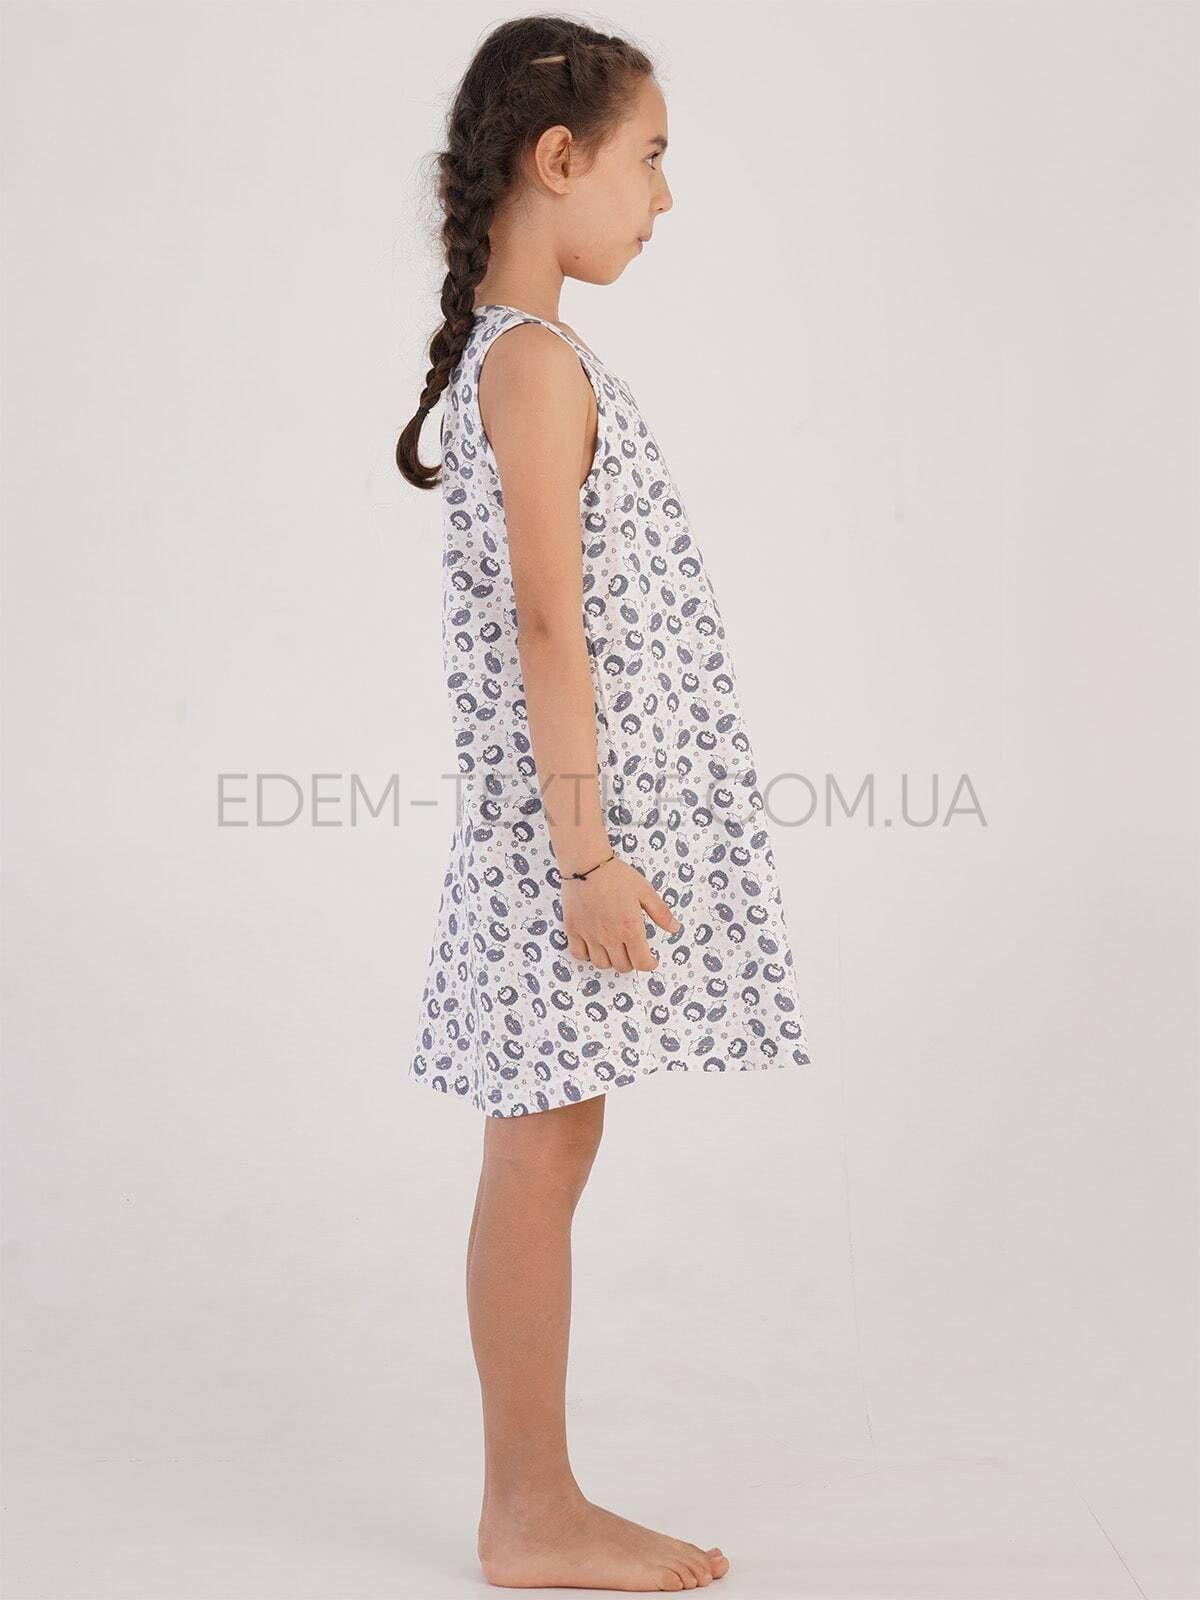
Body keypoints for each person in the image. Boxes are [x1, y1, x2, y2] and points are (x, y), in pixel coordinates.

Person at [396, 16, 813, 1591]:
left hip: (554, 837)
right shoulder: (531, 364)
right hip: (551, 844)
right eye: (649, 158)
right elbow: (546, 625)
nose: (666, 196)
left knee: (549, 1149)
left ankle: (533, 1501)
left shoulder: (526, 358)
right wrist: (584, 855)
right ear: (557, 159)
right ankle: (529, 1512)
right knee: (539, 1158)